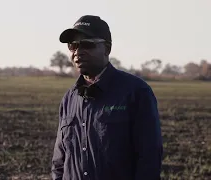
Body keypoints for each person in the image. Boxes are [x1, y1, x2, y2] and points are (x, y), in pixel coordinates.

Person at [51, 15, 163, 180]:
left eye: (87, 44)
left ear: (107, 49)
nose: (77, 52)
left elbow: (149, 158)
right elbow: (59, 160)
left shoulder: (136, 92)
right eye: (73, 45)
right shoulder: (69, 98)